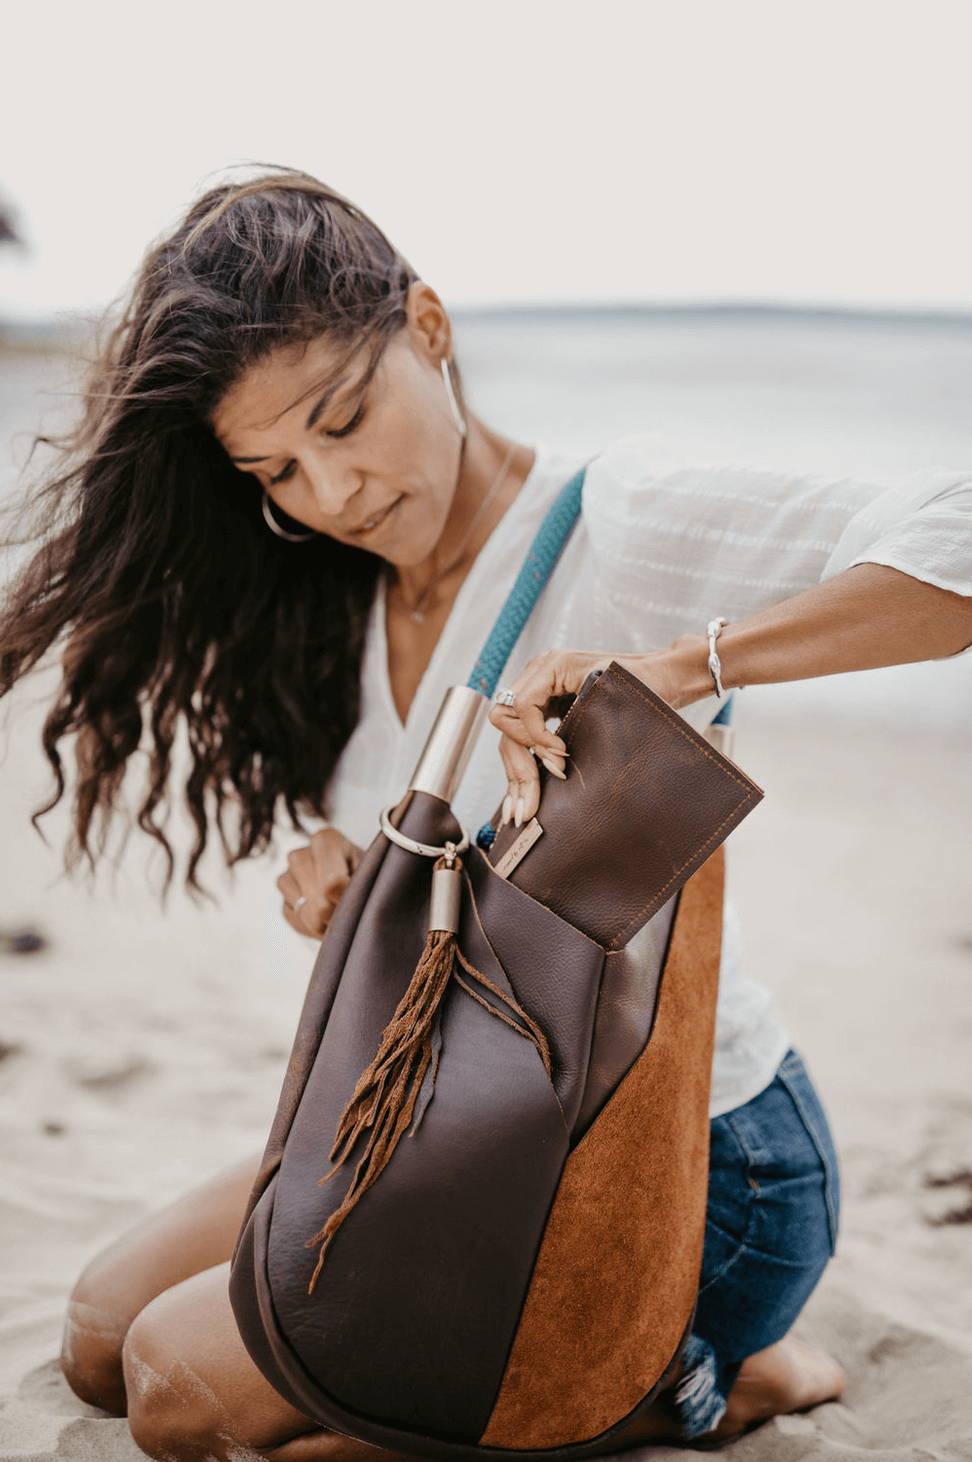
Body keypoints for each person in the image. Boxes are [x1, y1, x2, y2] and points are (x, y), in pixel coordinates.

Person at [2, 166, 971, 1460]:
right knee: (101, 1331)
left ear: (432, 329)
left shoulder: (614, 521)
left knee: (186, 1391)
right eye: (276, 468)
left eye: (344, 419)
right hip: (455, 1122)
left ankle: (698, 1378)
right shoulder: (340, 595)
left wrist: (689, 667)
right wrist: (347, 885)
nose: (331, 492)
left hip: (687, 1156)